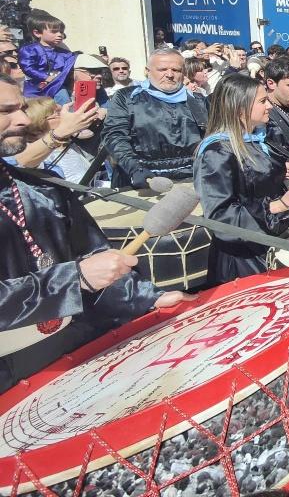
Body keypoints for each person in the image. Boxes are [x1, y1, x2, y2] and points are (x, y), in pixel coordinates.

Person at [0, 74, 188, 394]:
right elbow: (80, 274)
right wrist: (71, 280)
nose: (23, 120)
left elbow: (91, 253)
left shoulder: (40, 186)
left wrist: (145, 296)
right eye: (6, 111)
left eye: (22, 108)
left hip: (72, 355)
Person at [193, 75, 289, 285]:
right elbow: (220, 217)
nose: (269, 106)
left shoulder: (257, 140)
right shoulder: (216, 152)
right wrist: (278, 206)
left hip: (269, 241)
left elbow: (264, 187)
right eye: (262, 101)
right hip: (242, 259)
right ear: (239, 109)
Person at [101, 48, 208, 188]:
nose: (169, 75)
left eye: (176, 70)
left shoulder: (198, 100)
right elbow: (114, 135)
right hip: (144, 180)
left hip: (191, 180)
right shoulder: (126, 97)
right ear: (147, 71)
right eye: (162, 69)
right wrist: (134, 168)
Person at [20, 97, 97, 183]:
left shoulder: (67, 139)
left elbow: (89, 133)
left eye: (59, 112)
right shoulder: (40, 154)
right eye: (56, 114)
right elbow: (22, 162)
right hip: (75, 190)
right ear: (38, 124)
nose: (61, 116)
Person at [17, 9, 74, 99]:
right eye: (54, 31)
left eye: (61, 32)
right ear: (37, 33)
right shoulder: (30, 50)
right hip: (35, 88)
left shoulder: (65, 54)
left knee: (63, 98)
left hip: (57, 86)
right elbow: (28, 67)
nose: (60, 35)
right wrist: (45, 77)